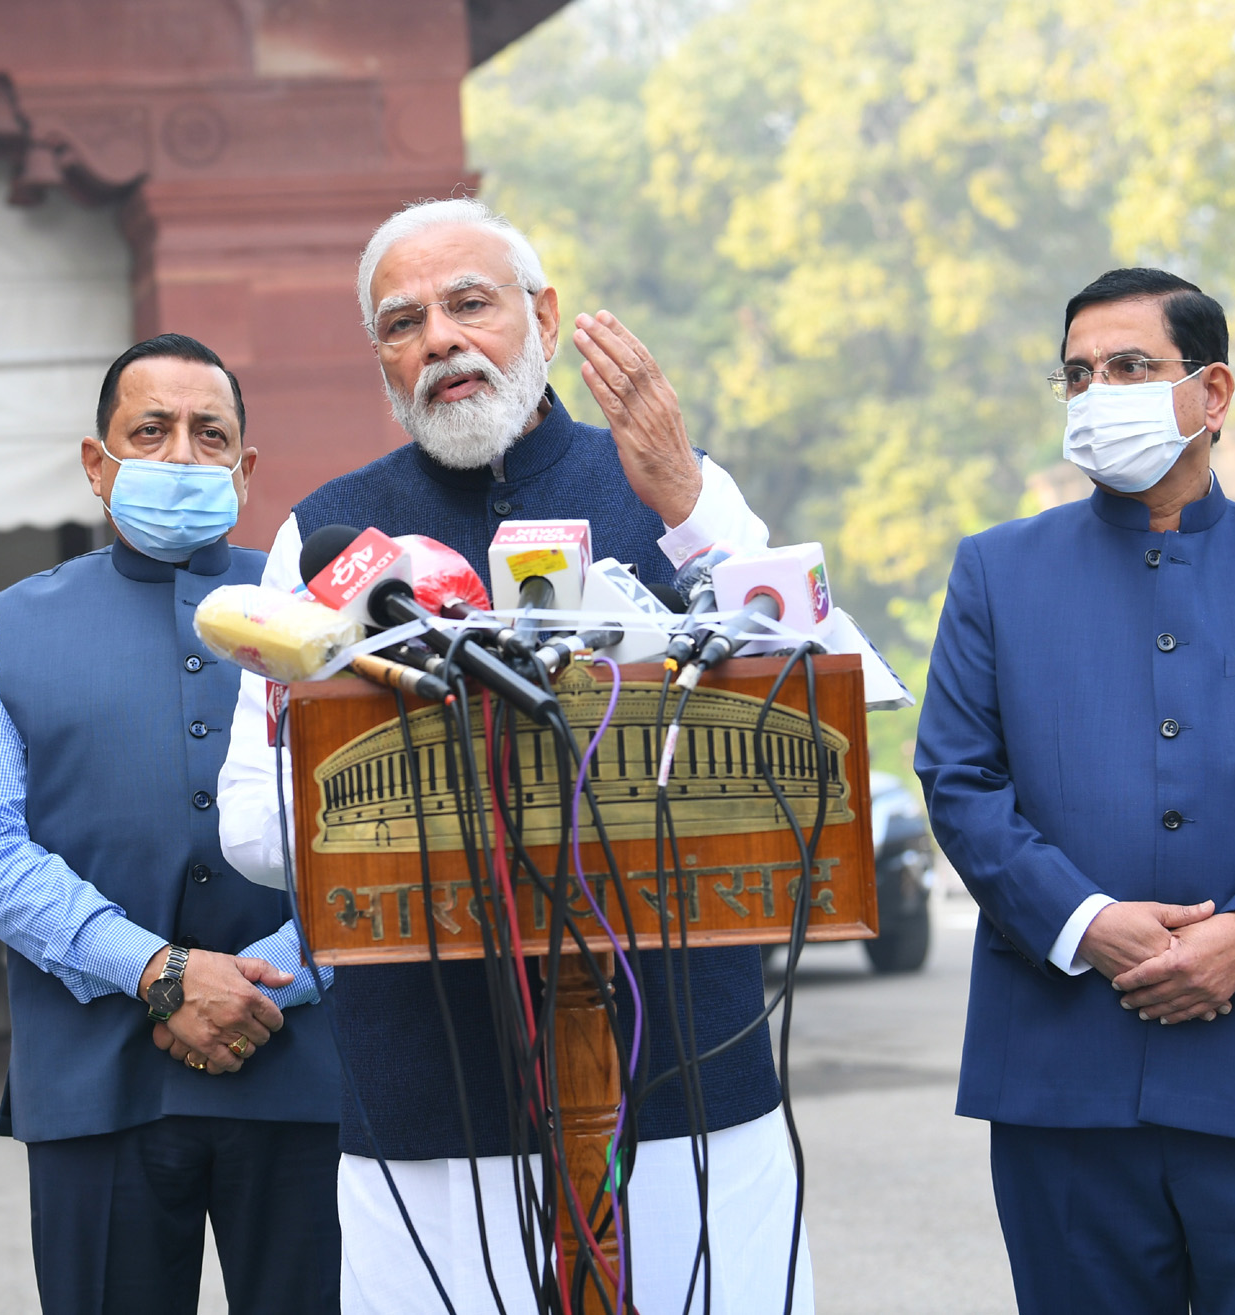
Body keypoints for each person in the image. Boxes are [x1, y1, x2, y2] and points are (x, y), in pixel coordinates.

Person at [216, 198, 811, 1313]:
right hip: (429, 1091)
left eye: (469, 304)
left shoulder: (678, 483)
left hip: (684, 1064)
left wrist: (681, 500)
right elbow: (250, 821)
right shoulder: (328, 537)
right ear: (382, 359)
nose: (439, 337)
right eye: (404, 321)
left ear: (539, 315)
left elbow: (804, 695)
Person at [916, 268, 1235, 1314]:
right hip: (1063, 1076)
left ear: (1212, 392)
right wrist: (1086, 922)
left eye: (1131, 366)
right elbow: (958, 779)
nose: (1099, 392)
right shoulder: (997, 572)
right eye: (1078, 373)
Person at [0, 334, 341, 1315]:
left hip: (305, 1065)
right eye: (148, 431)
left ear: (245, 469)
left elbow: (382, 829)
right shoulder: (11, 626)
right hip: (94, 1075)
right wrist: (157, 970)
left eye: (210, 435)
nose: (180, 454)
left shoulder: (324, 615)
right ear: (96, 462)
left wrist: (278, 980)